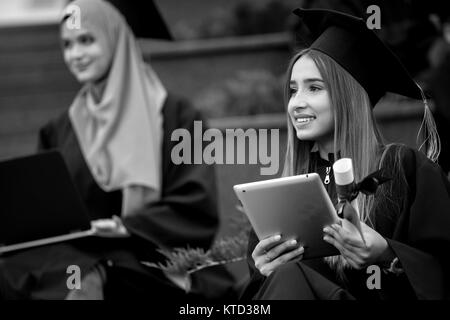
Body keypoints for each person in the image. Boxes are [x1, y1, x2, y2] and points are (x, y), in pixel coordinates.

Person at [0, 0, 219, 300]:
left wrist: (125, 227)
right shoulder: (60, 129)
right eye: (67, 45)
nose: (75, 55)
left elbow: (197, 206)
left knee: (84, 276)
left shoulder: (178, 118)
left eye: (86, 40)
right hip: (76, 257)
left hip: (149, 260)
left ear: (116, 39)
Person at [241, 8, 450, 300]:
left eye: (313, 88)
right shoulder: (282, 195)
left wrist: (386, 253)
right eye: (292, 91)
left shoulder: (404, 168)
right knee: (286, 275)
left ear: (348, 97)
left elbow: (441, 267)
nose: (296, 103)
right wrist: (263, 273)